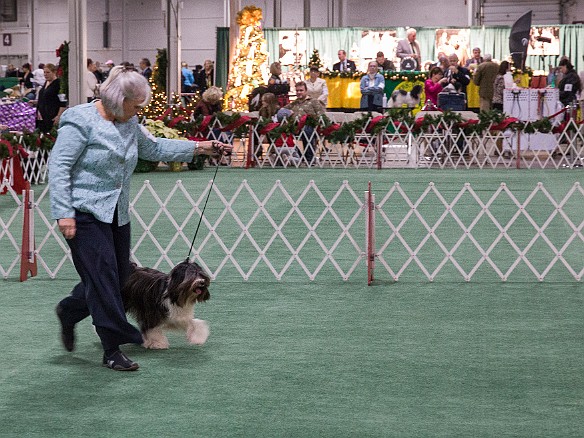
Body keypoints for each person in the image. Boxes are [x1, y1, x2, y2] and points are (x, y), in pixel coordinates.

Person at [49, 65, 231, 372]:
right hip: (83, 213)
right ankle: (112, 348)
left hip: (117, 213)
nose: (139, 111)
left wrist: (200, 147)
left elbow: (155, 147)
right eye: (135, 105)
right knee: (104, 279)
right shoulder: (80, 122)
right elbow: (59, 167)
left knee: (118, 279)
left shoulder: (130, 122)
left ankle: (69, 311)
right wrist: (64, 213)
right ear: (119, 99)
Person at [284, 81, 325, 165]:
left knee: (307, 130)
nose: (299, 92)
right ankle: (299, 155)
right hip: (294, 126)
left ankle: (309, 158)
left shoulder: (314, 101)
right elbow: (282, 110)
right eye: (297, 90)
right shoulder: (293, 103)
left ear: (306, 91)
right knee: (283, 132)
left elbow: (321, 114)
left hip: (310, 126)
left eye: (301, 90)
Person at [36, 63, 67, 133]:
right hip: (42, 117)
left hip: (52, 116)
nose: (45, 74)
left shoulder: (59, 84)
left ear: (54, 72)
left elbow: (63, 103)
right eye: (44, 72)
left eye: (48, 72)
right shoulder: (46, 83)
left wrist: (58, 116)